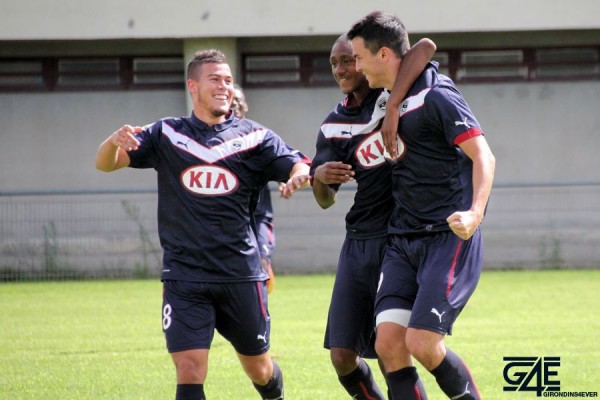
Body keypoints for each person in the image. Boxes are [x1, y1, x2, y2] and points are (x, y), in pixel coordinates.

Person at [95, 49, 310, 400]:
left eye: (228, 80)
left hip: (240, 274)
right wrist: (111, 142)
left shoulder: (254, 137)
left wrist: (299, 176)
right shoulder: (166, 133)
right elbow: (106, 164)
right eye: (215, 79)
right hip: (184, 275)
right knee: (190, 368)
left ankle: (275, 394)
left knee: (259, 367)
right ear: (192, 86)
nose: (224, 86)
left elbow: (298, 163)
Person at [348, 11, 496, 400]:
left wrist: (475, 213)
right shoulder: (384, 99)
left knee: (423, 344)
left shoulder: (438, 95)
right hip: (402, 239)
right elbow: (419, 51)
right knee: (388, 345)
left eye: (359, 57)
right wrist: (393, 104)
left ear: (383, 55)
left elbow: (484, 156)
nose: (356, 66)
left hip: (447, 237)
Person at [310, 34, 435, 399]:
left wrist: (393, 105)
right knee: (341, 356)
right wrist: (320, 178)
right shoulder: (333, 124)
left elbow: (424, 47)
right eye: (335, 63)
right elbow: (324, 201)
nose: (342, 69)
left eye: (349, 60)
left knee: (389, 347)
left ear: (367, 59)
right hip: (358, 241)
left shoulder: (399, 91)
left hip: (399, 238)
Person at [232, 84, 277, 294]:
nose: (234, 102)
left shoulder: (259, 139)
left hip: (256, 223)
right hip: (222, 231)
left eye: (238, 99)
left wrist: (287, 179)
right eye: (230, 98)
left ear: (245, 106)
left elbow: (282, 165)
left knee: (260, 274)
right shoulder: (207, 143)